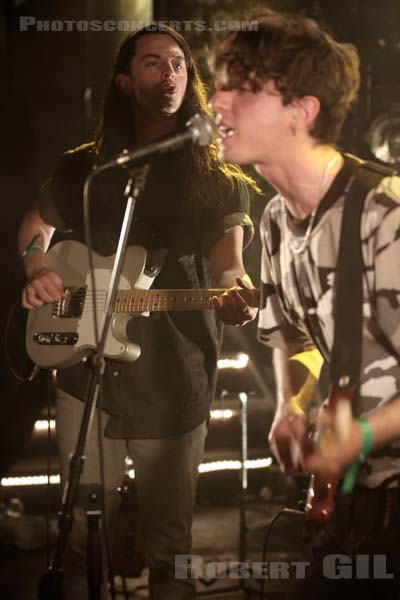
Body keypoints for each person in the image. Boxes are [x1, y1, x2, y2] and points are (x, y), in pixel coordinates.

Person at [18, 24, 257, 600]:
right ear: (124, 81)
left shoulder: (220, 180)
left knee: (169, 545)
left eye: (178, 63)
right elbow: (36, 226)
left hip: (173, 379)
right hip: (84, 373)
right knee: (75, 537)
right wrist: (36, 267)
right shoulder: (88, 166)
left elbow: (230, 268)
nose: (170, 72)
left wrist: (238, 295)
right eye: (153, 62)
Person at [209, 9, 400, 599]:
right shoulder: (272, 220)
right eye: (219, 84)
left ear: (302, 109)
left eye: (241, 86)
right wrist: (290, 404)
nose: (216, 102)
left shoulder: (382, 214)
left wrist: (363, 436)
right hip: (351, 504)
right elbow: (291, 337)